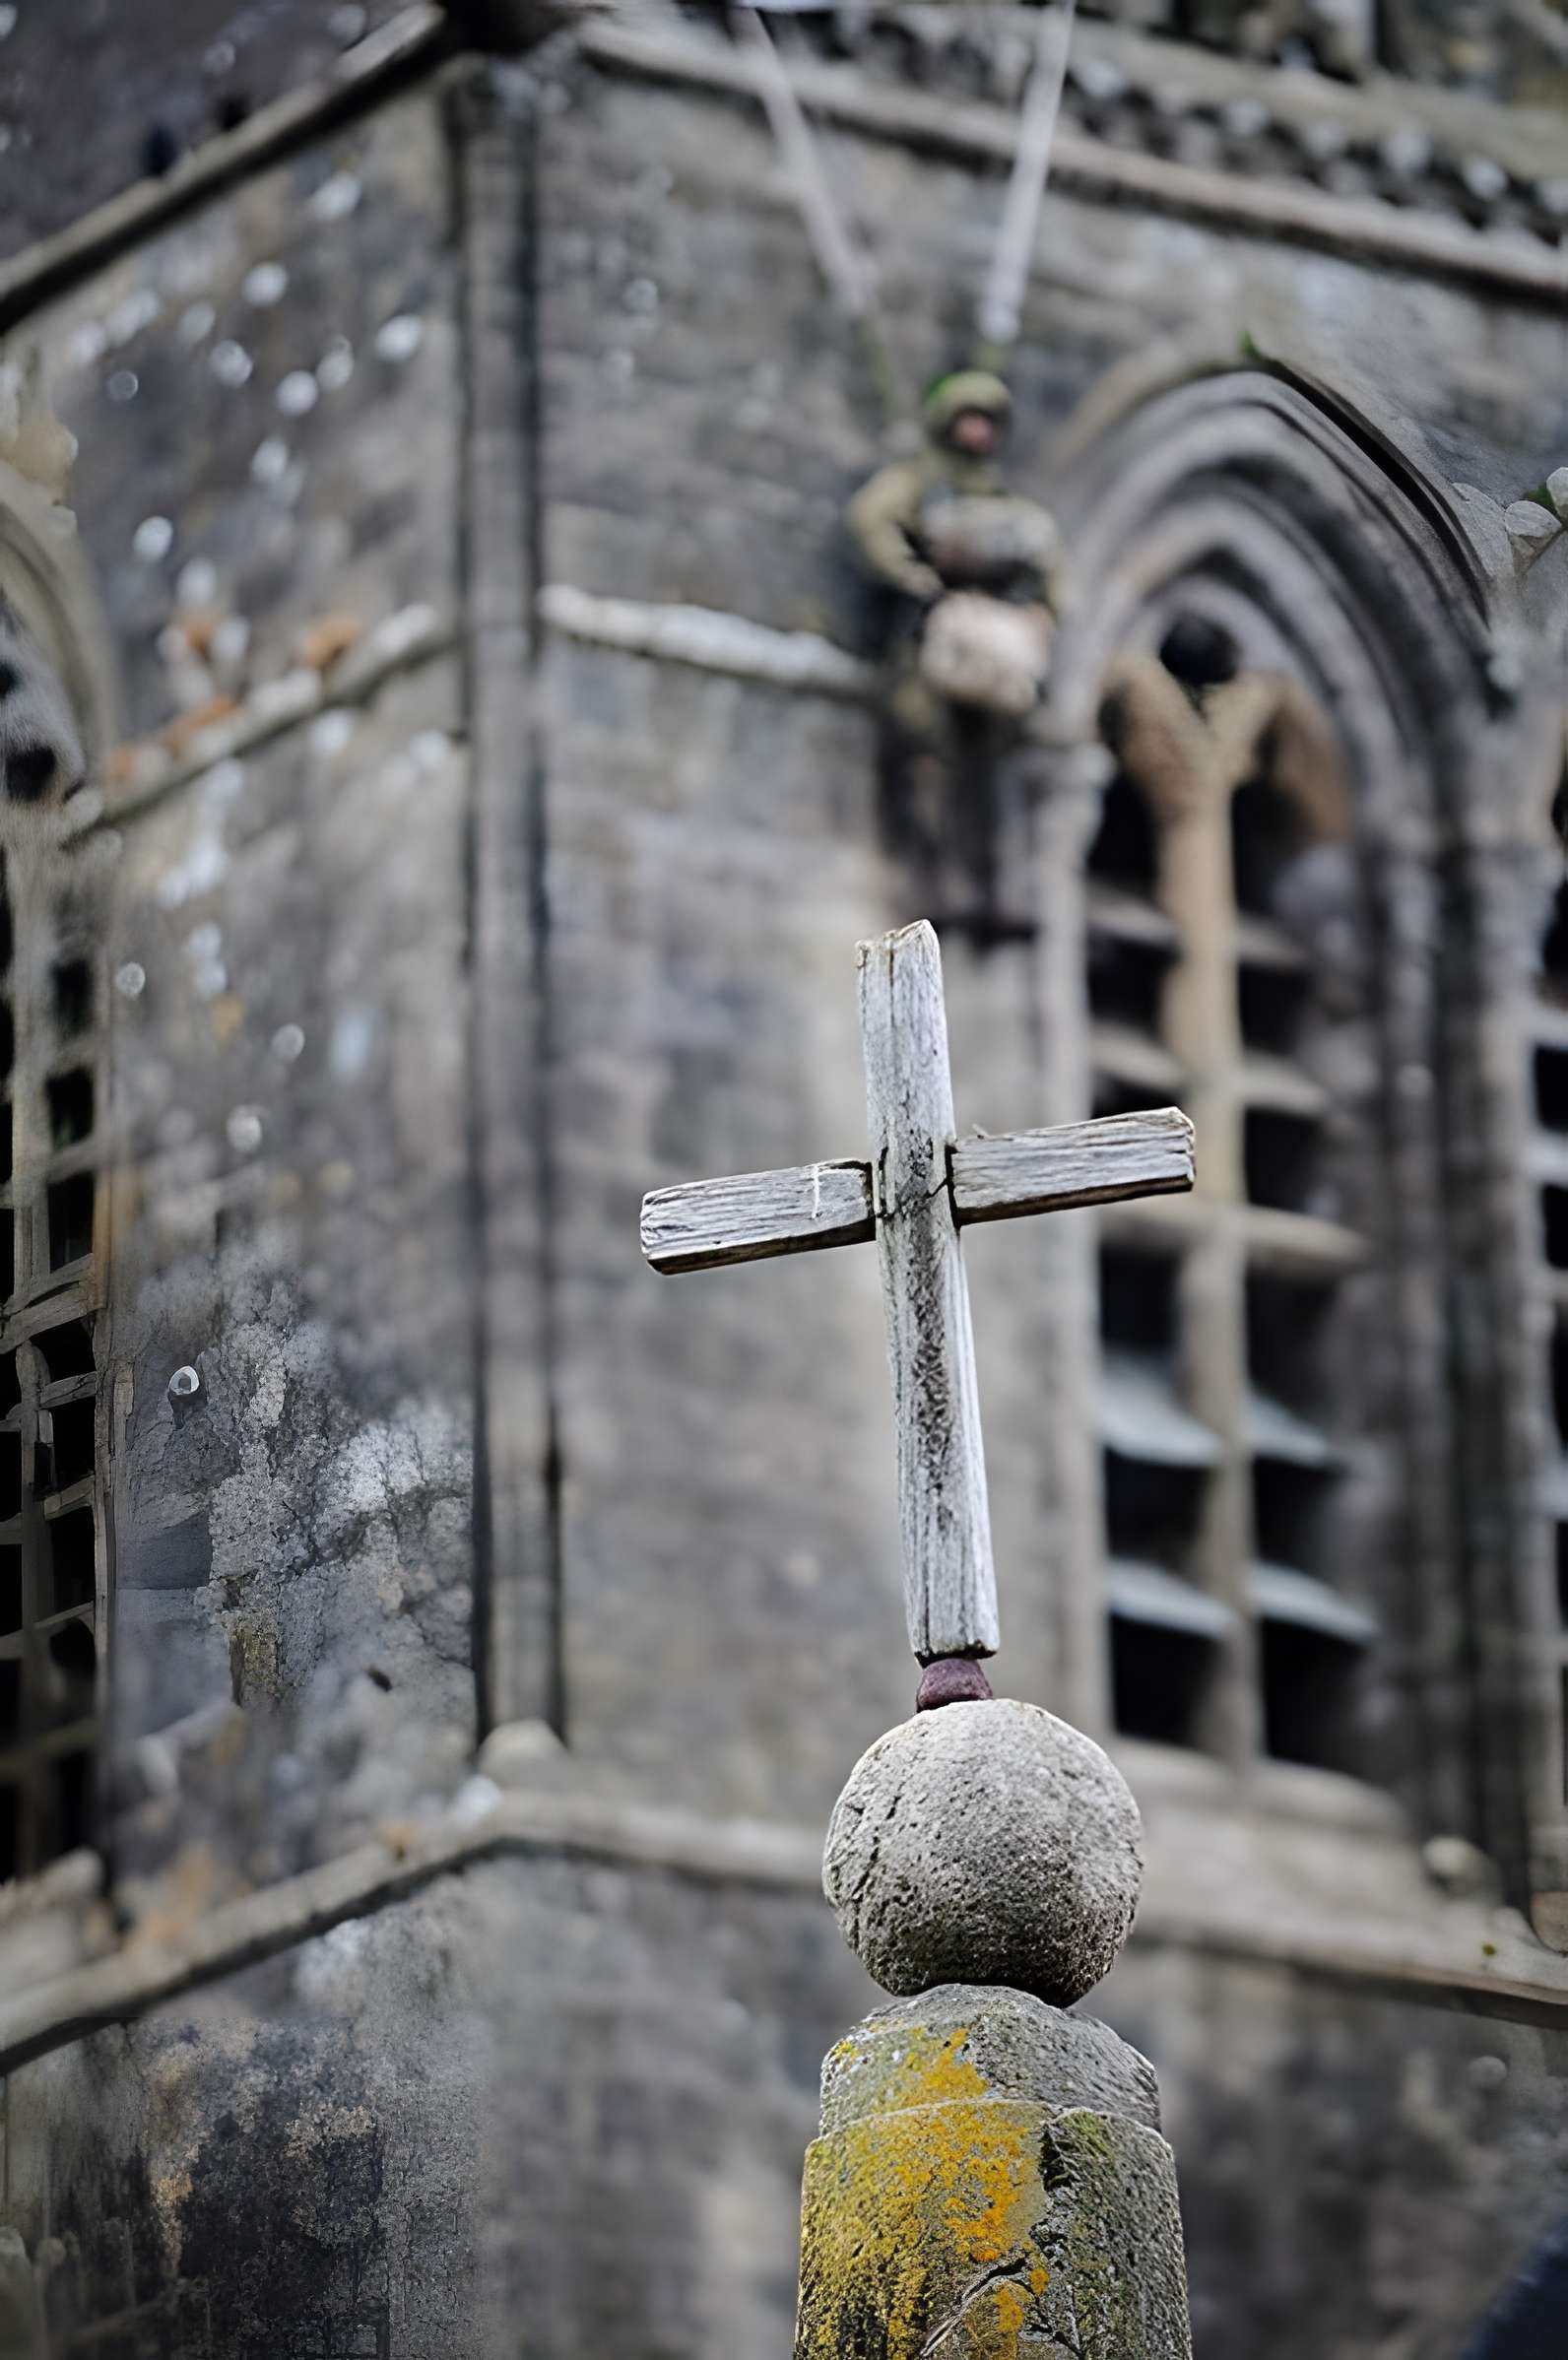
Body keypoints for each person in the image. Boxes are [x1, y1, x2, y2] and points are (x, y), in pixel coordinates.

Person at [846, 370, 1065, 926]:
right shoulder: (920, 482)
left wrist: (1042, 614)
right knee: (927, 755)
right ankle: (930, 880)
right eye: (968, 418)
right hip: (931, 646)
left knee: (998, 766)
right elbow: (871, 522)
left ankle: (993, 879)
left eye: (985, 421)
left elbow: (1051, 570)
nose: (976, 431)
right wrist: (913, 578)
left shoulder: (1003, 500)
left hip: (995, 652)